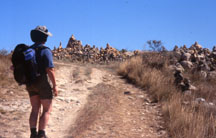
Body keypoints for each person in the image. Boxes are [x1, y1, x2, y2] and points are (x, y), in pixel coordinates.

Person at [26, 26, 58, 138]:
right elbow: (50, 69)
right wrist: (54, 86)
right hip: (42, 82)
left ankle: (33, 133)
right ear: (45, 37)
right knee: (46, 109)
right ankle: (41, 134)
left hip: (30, 83)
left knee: (35, 109)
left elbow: (13, 67)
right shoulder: (45, 51)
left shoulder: (27, 51)